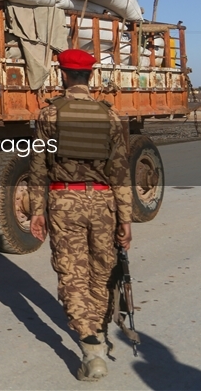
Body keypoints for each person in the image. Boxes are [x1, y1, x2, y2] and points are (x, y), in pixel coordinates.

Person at [29, 48, 131, 382]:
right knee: (102, 272)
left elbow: (38, 168)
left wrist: (36, 211)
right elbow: (120, 174)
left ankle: (91, 351)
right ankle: (99, 333)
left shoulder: (49, 116)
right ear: (90, 76)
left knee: (72, 274)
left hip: (63, 201)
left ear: (62, 75)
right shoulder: (111, 117)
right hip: (103, 204)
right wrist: (126, 218)